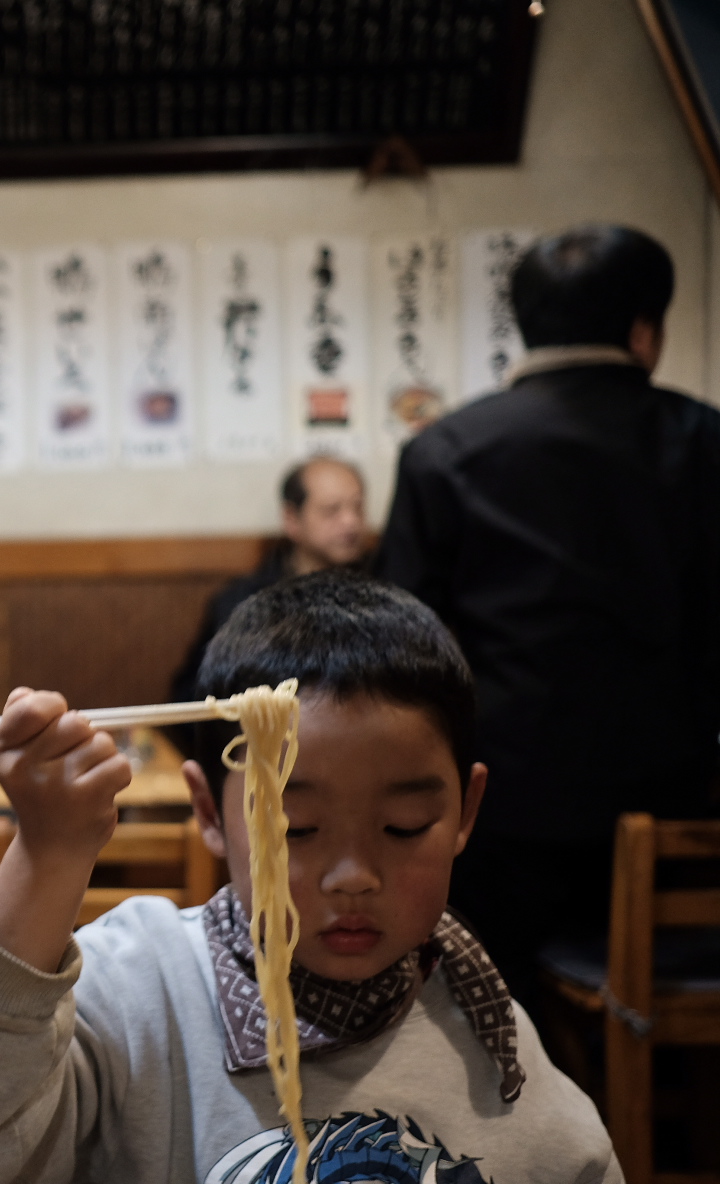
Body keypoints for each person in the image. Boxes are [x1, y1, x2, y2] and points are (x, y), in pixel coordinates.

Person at [0, 572, 618, 1184]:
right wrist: (47, 856)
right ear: (209, 809)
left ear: (467, 812)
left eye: (403, 828)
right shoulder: (139, 993)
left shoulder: (485, 1025)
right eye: (293, 830)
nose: (353, 877)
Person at [377, 224, 720, 1011]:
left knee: (493, 994)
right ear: (645, 331)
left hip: (501, 811)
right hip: (676, 810)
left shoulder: (447, 450)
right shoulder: (705, 440)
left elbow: (400, 647)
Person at [169, 456, 366, 703]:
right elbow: (197, 693)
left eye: (358, 507)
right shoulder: (243, 602)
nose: (351, 522)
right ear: (291, 519)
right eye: (331, 510)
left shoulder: (383, 593)